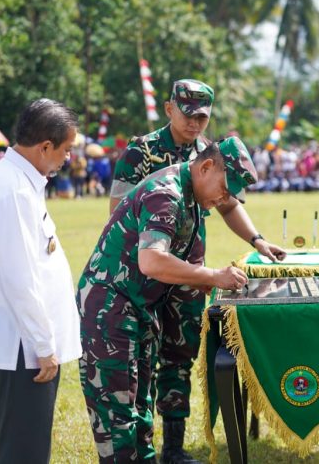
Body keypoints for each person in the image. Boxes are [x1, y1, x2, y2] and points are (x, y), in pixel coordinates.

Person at [109, 79, 285, 463]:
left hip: (189, 276)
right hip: (146, 274)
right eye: (188, 115)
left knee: (179, 355)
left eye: (202, 117)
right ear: (170, 109)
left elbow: (228, 205)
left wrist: (257, 240)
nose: (194, 124)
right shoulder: (142, 151)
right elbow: (119, 214)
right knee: (140, 356)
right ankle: (143, 447)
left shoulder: (210, 153)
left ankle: (173, 446)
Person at [78, 137, 261, 463]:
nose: (225, 198)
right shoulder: (168, 194)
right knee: (118, 416)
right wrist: (211, 276)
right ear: (205, 167)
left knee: (140, 406)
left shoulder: (190, 192)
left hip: (138, 306)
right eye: (225, 188)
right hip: (111, 308)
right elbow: (151, 261)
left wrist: (199, 280)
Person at [0, 99, 81, 464]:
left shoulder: (19, 181)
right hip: (24, 347)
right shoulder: (12, 190)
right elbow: (21, 278)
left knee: (25, 447)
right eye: (65, 149)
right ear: (44, 147)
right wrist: (43, 345)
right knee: (24, 454)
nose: (68, 158)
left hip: (25, 344)